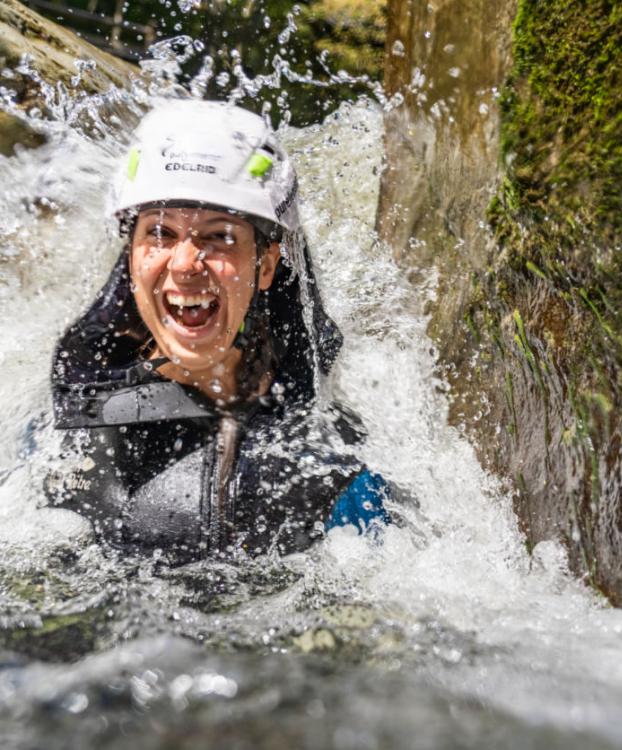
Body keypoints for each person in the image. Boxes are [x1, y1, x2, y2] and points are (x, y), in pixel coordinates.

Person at [45, 99, 391, 561]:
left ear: (266, 265)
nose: (185, 263)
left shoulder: (334, 464)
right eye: (161, 233)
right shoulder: (76, 409)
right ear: (131, 256)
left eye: (220, 236)